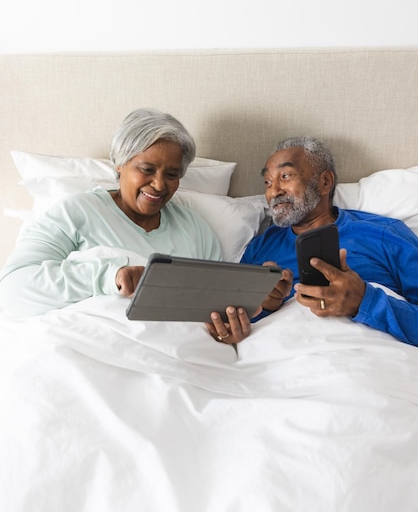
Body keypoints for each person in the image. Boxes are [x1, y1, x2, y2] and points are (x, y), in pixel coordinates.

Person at [0, 108, 227, 316]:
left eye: (172, 174)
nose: (159, 185)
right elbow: (11, 290)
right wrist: (108, 278)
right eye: (147, 169)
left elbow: (220, 300)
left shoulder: (195, 229)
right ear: (120, 163)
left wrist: (225, 330)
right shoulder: (75, 212)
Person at [206, 136, 418, 347]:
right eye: (268, 182)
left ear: (324, 182)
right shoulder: (260, 248)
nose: (273, 192)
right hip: (279, 362)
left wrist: (364, 300)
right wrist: (266, 307)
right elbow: (234, 326)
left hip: (367, 356)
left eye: (286, 176)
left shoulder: (385, 234)